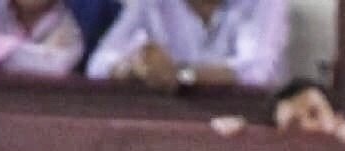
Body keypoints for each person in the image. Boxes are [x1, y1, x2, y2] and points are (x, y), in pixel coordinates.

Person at [86, 0, 288, 90]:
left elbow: (260, 73)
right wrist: (134, 66)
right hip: (170, 127)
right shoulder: (151, 3)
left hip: (243, 126)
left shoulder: (263, 2)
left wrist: (182, 75)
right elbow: (97, 66)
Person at [210, 78, 345, 143]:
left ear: (339, 118)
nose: (307, 126)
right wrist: (231, 137)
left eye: (314, 114)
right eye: (294, 124)